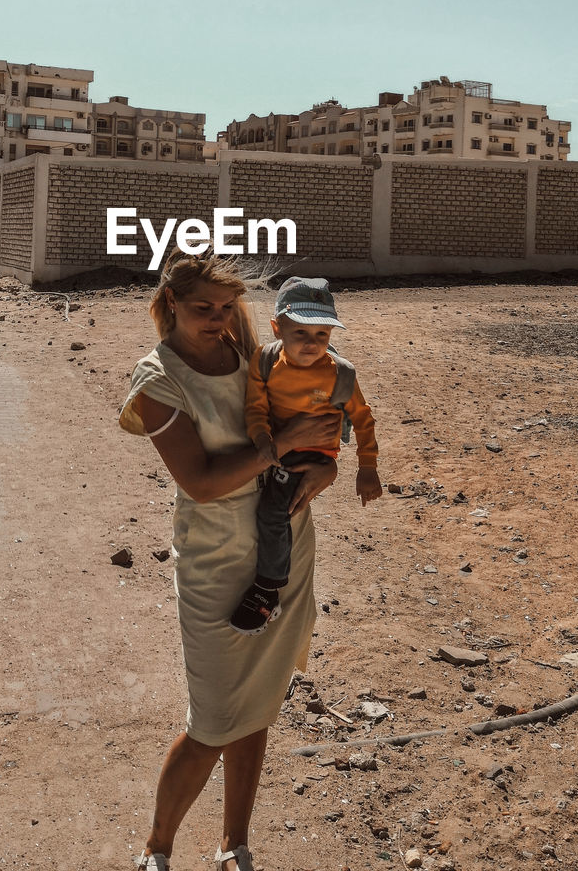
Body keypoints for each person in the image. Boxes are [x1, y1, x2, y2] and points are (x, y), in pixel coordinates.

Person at [119, 249, 340, 871]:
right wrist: (280, 448)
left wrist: (319, 465)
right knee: (214, 720)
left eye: (225, 307)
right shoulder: (157, 380)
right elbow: (202, 483)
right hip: (216, 560)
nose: (216, 318)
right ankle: (157, 850)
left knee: (257, 707)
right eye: (201, 308)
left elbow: (311, 421)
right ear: (170, 306)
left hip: (286, 547)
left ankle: (233, 843)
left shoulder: (249, 353)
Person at [229, 276, 382, 634]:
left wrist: (367, 468)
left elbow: (363, 418)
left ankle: (268, 589)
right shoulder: (265, 361)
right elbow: (255, 407)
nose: (312, 345)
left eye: (322, 335)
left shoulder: (339, 374)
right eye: (301, 333)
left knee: (272, 511)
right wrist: (262, 437)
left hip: (311, 456)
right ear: (277, 328)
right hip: (279, 445)